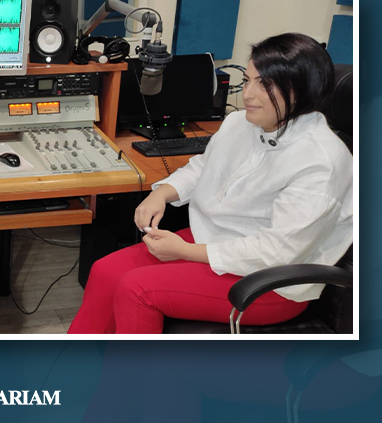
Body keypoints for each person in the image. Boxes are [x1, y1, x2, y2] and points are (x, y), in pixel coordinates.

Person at [69, 32, 352, 334]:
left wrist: (184, 252)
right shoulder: (239, 123)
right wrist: (161, 194)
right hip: (212, 241)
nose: (248, 95)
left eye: (265, 85)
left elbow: (277, 252)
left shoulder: (322, 161)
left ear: (301, 91)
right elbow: (203, 168)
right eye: (248, 81)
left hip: (269, 282)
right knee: (105, 271)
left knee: (138, 289)